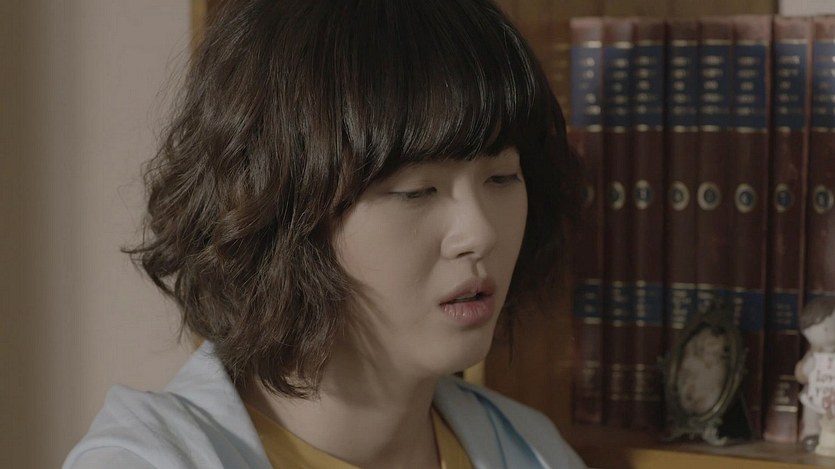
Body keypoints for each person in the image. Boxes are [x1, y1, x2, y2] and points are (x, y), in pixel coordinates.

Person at [63, 0, 585, 467]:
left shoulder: (533, 449)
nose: (480, 233)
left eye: (502, 178)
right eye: (417, 191)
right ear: (278, 211)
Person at [797, 296, 835, 453]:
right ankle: (811, 433)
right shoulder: (812, 355)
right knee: (810, 409)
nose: (826, 332)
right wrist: (807, 368)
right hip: (815, 394)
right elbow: (800, 376)